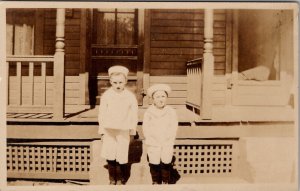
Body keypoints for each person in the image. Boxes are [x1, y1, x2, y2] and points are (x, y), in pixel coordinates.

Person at [98, 65, 138, 185]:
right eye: (115, 82)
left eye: (120, 82)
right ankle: (112, 178)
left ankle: (120, 178)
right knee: (110, 153)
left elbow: (134, 114)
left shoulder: (130, 96)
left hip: (123, 129)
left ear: (125, 81)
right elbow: (102, 114)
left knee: (121, 153)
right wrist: (102, 131)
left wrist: (132, 131)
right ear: (110, 82)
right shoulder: (107, 96)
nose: (118, 85)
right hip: (109, 130)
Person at [142, 84, 178, 184]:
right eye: (157, 97)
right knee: (154, 162)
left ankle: (165, 181)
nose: (161, 99)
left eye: (163, 96)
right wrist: (149, 138)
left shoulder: (171, 111)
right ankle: (156, 181)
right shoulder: (149, 112)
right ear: (153, 99)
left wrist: (170, 138)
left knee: (166, 161)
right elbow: (146, 127)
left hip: (166, 140)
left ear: (167, 98)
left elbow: (174, 126)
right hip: (153, 141)